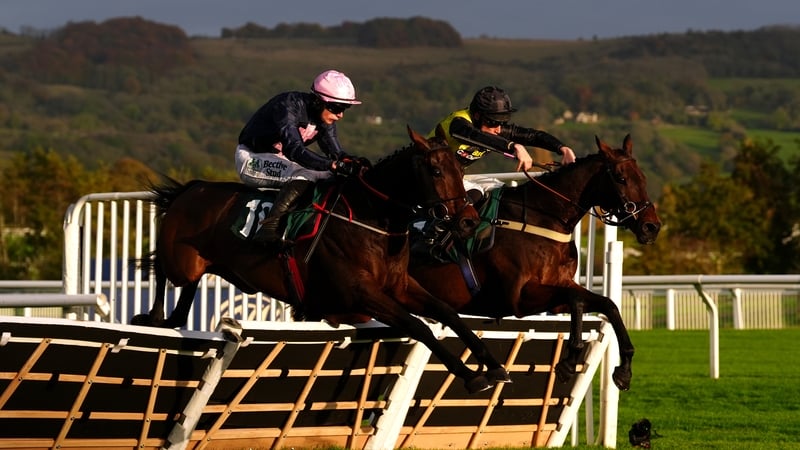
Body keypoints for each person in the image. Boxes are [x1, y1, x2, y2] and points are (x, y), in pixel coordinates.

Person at [235, 69, 362, 246]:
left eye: (345, 108)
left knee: (331, 176)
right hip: (251, 158)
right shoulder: (288, 105)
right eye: (337, 108)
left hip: (280, 160)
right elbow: (295, 150)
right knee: (309, 174)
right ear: (318, 102)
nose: (340, 115)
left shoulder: (325, 118)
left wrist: (353, 162)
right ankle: (268, 230)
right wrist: (332, 164)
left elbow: (336, 153)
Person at [430, 85, 577, 201]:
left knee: (498, 191)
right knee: (476, 194)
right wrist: (513, 146)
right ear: (477, 116)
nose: (498, 129)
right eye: (494, 122)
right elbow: (475, 135)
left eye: (502, 122)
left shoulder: (491, 127)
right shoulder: (458, 124)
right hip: (425, 179)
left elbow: (531, 136)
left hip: (449, 179)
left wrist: (562, 148)